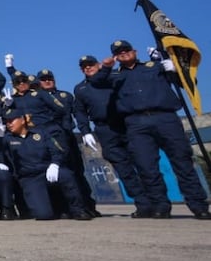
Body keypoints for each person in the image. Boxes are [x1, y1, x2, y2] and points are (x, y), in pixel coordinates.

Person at [89, 40, 210, 219]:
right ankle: (161, 206)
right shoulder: (114, 76)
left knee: (182, 162)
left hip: (165, 118)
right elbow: (96, 83)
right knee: (146, 167)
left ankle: (198, 205)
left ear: (135, 51)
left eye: (126, 50)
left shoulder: (154, 66)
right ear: (115, 56)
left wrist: (175, 68)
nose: (124, 53)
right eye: (119, 52)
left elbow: (186, 82)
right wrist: (106, 67)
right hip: (136, 123)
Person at [72, 54, 146, 213]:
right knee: (123, 167)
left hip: (128, 124)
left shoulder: (115, 77)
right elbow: (80, 112)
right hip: (105, 129)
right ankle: (142, 203)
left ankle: (158, 202)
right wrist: (85, 131)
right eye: (84, 66)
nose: (88, 68)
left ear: (99, 64)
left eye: (90, 64)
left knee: (144, 163)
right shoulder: (80, 88)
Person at [0, 108, 92, 221]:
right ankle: (54, 209)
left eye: (11, 120)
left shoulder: (41, 133)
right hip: (30, 177)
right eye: (7, 121)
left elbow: (56, 150)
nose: (8, 124)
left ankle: (78, 210)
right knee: (43, 215)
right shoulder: (7, 139)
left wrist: (55, 164)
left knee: (66, 175)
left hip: (47, 170)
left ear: (22, 120)